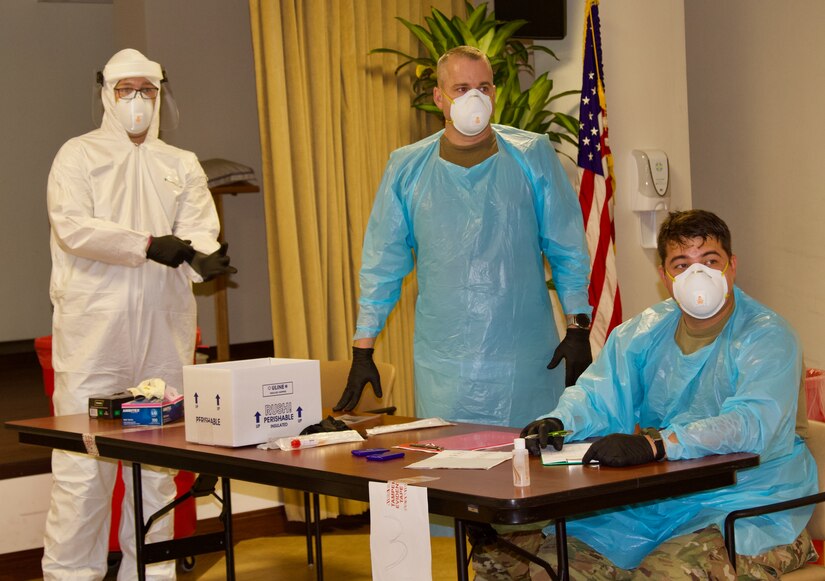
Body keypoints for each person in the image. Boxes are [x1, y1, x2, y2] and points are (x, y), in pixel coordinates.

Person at [473, 209, 818, 580]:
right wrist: (561, 421)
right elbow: (598, 393)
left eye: (710, 261)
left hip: (753, 504)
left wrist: (658, 445)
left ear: (732, 267)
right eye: (681, 264)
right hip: (661, 500)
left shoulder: (767, 336)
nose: (696, 275)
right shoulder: (642, 332)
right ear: (665, 277)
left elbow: (752, 425)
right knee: (558, 568)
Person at [43, 48, 236, 580]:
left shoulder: (180, 163)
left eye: (146, 91)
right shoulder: (77, 156)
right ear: (106, 93)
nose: (137, 101)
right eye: (126, 90)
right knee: (82, 472)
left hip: (161, 335)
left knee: (158, 473)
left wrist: (201, 257)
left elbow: (199, 228)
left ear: (160, 94)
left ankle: (150, 576)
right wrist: (148, 244)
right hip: (93, 339)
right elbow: (73, 227)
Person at [333, 46, 592, 427]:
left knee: (534, 470)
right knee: (449, 467)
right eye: (461, 88)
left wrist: (578, 328)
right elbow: (382, 262)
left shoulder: (531, 154)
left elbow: (567, 246)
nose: (475, 97)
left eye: (484, 87)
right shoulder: (407, 167)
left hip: (523, 358)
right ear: (440, 97)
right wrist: (363, 350)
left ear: (494, 93)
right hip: (445, 364)